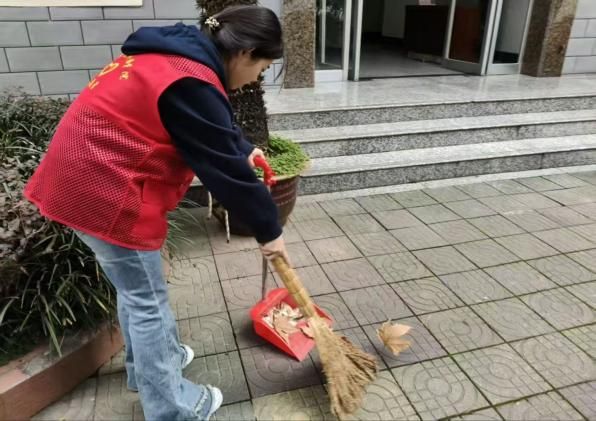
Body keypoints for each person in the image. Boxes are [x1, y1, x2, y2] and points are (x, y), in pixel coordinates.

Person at [23, 5, 288, 420]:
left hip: (79, 181)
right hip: (103, 193)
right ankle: (172, 407)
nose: (257, 78)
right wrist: (270, 231)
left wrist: (242, 148)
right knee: (148, 301)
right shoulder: (191, 80)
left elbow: (206, 127)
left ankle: (148, 367)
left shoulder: (174, 56)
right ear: (244, 52)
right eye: (263, 68)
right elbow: (223, 170)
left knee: (137, 292)